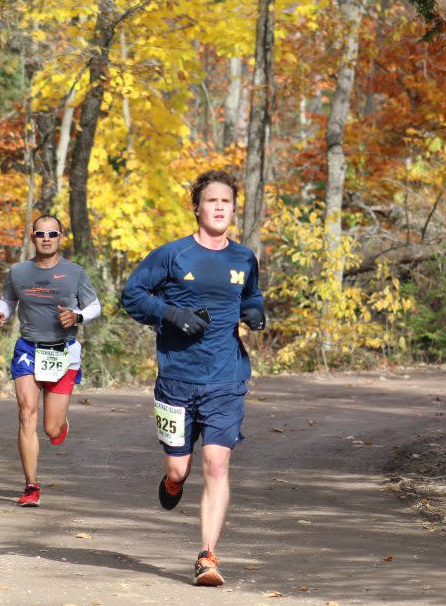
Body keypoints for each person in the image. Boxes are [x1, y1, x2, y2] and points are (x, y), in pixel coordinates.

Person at [121, 169, 265, 586]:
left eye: (226, 201)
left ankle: (207, 557)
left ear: (234, 209)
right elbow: (132, 295)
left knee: (216, 462)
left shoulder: (243, 257)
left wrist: (255, 311)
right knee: (180, 469)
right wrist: (170, 314)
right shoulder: (171, 255)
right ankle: (171, 482)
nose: (220, 207)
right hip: (177, 379)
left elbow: (251, 294)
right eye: (212, 200)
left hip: (227, 376)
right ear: (197, 207)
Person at [0, 215, 101, 507]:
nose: (46, 237)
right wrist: (1, 313)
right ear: (32, 237)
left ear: (61, 237)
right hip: (28, 348)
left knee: (51, 429)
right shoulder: (18, 271)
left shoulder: (75, 273)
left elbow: (94, 307)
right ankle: (30, 485)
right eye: (41, 233)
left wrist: (77, 316)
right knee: (27, 413)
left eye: (52, 233)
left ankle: (59, 425)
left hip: (62, 352)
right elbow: (8, 300)